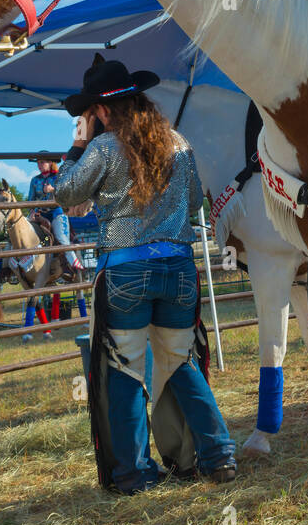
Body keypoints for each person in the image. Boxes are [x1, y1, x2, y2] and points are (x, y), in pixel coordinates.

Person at [55, 55, 237, 492]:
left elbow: (65, 193)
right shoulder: (177, 143)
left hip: (125, 270)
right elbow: (195, 199)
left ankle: (134, 472)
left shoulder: (101, 148)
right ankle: (219, 454)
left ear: (100, 111)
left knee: (126, 370)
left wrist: (77, 145)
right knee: (181, 363)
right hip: (178, 266)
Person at [27, 155, 83, 274]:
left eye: (42, 162)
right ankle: (12, 263)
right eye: (38, 163)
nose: (40, 165)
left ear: (50, 163)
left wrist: (53, 189)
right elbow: (31, 199)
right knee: (22, 230)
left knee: (61, 237)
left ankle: (74, 262)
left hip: (57, 212)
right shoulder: (34, 180)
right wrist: (32, 212)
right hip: (40, 213)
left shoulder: (59, 177)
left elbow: (67, 192)